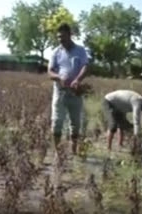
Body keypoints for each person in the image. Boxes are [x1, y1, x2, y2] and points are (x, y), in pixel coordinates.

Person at [48, 23, 89, 155]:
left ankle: (74, 151)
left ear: (70, 35)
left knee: (75, 123)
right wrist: (59, 78)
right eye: (59, 37)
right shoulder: (56, 52)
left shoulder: (80, 50)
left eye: (63, 36)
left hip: (75, 92)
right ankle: (57, 152)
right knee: (56, 122)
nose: (61, 39)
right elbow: (49, 71)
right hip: (60, 92)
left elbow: (85, 67)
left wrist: (77, 79)